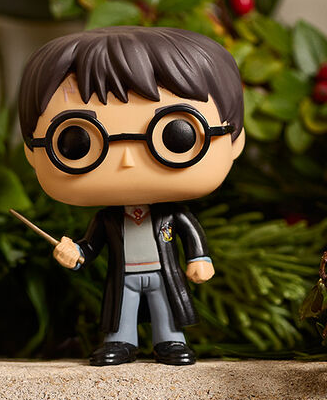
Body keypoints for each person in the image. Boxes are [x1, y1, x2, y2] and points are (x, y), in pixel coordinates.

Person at [18, 26, 245, 366]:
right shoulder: (107, 219)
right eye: (76, 142)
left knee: (165, 305)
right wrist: (75, 253)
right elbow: (91, 246)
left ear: (235, 140)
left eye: (176, 135)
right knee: (121, 307)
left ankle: (170, 340)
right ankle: (120, 342)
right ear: (32, 151)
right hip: (124, 276)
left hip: (162, 272)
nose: (126, 160)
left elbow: (190, 233)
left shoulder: (171, 215)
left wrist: (199, 258)